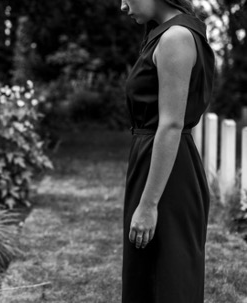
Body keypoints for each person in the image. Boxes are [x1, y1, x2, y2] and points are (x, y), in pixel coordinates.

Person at [120, 0, 215, 302]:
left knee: (170, 278)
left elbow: (172, 124)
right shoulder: (166, 34)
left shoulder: (176, 37)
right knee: (147, 275)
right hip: (154, 162)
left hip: (168, 174)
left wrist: (148, 205)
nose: (123, 6)